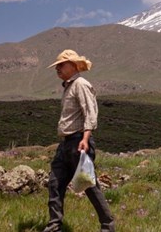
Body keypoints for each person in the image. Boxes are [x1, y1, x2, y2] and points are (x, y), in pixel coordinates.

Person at [43, 49, 115, 232]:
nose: (57, 69)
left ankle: (108, 226)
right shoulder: (69, 86)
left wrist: (85, 138)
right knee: (55, 183)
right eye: (56, 66)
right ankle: (54, 226)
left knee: (89, 185)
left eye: (61, 65)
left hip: (78, 141)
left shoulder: (81, 84)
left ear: (73, 65)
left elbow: (90, 112)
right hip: (65, 143)